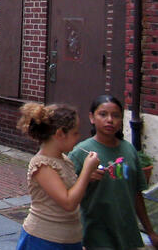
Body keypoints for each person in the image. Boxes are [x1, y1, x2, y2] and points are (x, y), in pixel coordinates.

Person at [69, 95, 158, 249]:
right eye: (103, 114)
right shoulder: (81, 152)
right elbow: (66, 196)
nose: (109, 120)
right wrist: (85, 178)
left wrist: (150, 231)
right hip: (95, 234)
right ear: (92, 117)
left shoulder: (129, 150)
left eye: (115, 115)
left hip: (126, 232)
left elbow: (137, 195)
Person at [16, 102, 100, 249]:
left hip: (68, 239)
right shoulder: (42, 165)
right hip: (44, 239)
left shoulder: (63, 159)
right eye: (75, 133)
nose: (78, 137)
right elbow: (68, 202)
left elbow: (69, 190)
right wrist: (86, 172)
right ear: (60, 134)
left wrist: (88, 177)